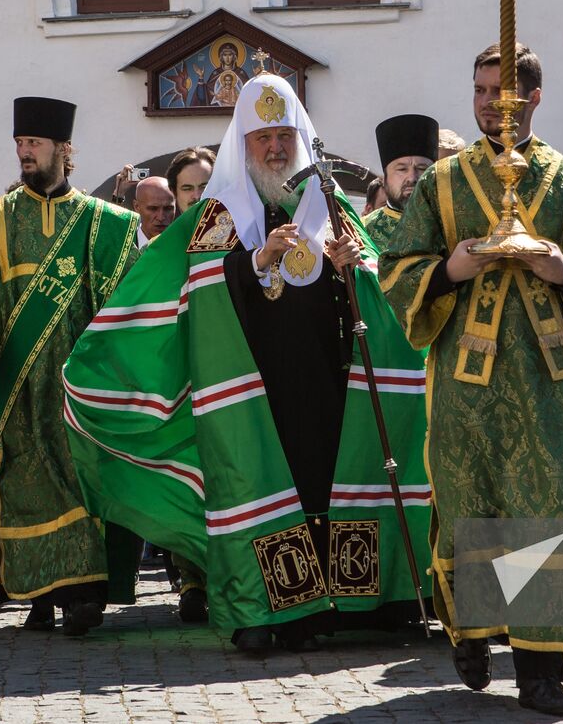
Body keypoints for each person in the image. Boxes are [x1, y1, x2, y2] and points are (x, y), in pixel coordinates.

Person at [64, 71, 431, 653]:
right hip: (252, 390)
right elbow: (198, 294)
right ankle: (263, 610)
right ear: (243, 143)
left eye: (285, 135)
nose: (276, 148)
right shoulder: (217, 213)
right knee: (258, 485)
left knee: (327, 484)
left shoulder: (328, 202)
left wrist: (351, 268)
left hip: (328, 384)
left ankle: (344, 603)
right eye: (263, 137)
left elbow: (374, 295)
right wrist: (258, 259)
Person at [380, 43, 563, 716]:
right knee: (473, 510)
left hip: (550, 383)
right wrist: (450, 269)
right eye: (480, 90)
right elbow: (397, 264)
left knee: (546, 516)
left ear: (533, 98)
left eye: (504, 92)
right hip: (467, 384)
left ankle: (541, 670)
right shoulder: (442, 183)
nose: (492, 104)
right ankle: (472, 628)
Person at [0, 97, 140, 636]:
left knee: (78, 482)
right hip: (17, 383)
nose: (24, 153)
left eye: (34, 144)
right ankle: (39, 594)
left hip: (81, 383)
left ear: (63, 149)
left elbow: (127, 305)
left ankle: (82, 595)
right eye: (20, 144)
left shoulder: (103, 223)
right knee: (25, 484)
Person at [363, 114, 438, 249]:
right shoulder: (362, 232)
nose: (412, 177)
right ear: (385, 179)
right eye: (402, 169)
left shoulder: (454, 222)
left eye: (422, 168)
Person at [165, 146, 216, 217]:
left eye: (204, 187)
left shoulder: (236, 226)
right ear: (173, 192)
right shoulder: (172, 228)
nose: (197, 196)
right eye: (187, 189)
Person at [131, 176, 175, 247]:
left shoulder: (185, 247)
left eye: (168, 208)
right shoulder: (119, 247)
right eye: (153, 209)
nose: (161, 218)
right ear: (137, 206)